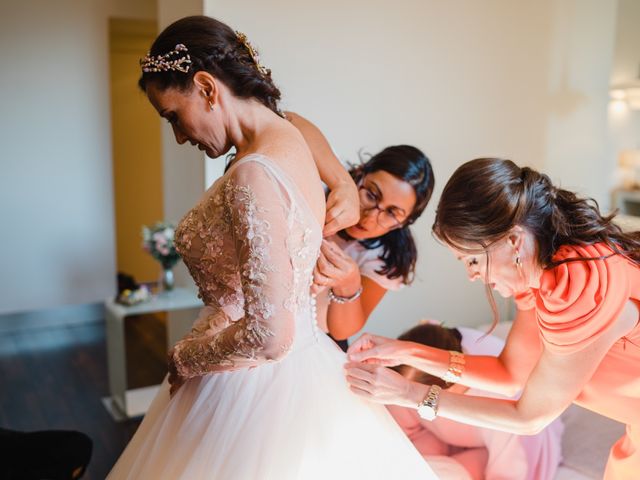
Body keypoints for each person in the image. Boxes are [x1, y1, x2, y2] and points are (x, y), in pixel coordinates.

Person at [107, 15, 439, 479]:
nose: (180, 136)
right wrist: (343, 183)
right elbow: (310, 142)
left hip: (251, 382)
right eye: (371, 196)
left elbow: (271, 335)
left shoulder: (254, 172)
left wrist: (185, 357)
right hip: (296, 362)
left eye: (173, 118)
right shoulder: (289, 137)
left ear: (206, 88)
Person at [345, 157, 640, 479]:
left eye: (473, 260)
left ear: (514, 240)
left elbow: (529, 418)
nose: (473, 275)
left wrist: (409, 394)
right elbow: (510, 373)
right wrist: (406, 351)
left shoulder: (579, 288)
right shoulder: (545, 274)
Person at [287, 112, 434, 348]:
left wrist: (349, 283)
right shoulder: (326, 180)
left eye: (392, 213)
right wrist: (341, 184)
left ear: (405, 223)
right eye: (371, 194)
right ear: (361, 173)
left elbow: (342, 330)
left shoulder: (387, 258)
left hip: (317, 341)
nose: (370, 216)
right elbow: (287, 120)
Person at [387, 322, 564, 480]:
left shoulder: (503, 399)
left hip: (495, 452)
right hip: (436, 438)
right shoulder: (416, 364)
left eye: (423, 396)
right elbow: (400, 430)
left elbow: (509, 472)